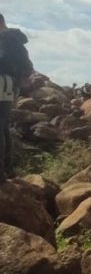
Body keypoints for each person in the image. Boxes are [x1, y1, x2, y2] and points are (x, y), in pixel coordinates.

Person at [0, 13, 34, 182]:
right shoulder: (15, 39)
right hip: (9, 85)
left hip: (2, 82)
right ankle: (7, 169)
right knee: (3, 125)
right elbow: (27, 67)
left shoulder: (5, 39)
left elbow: (3, 60)